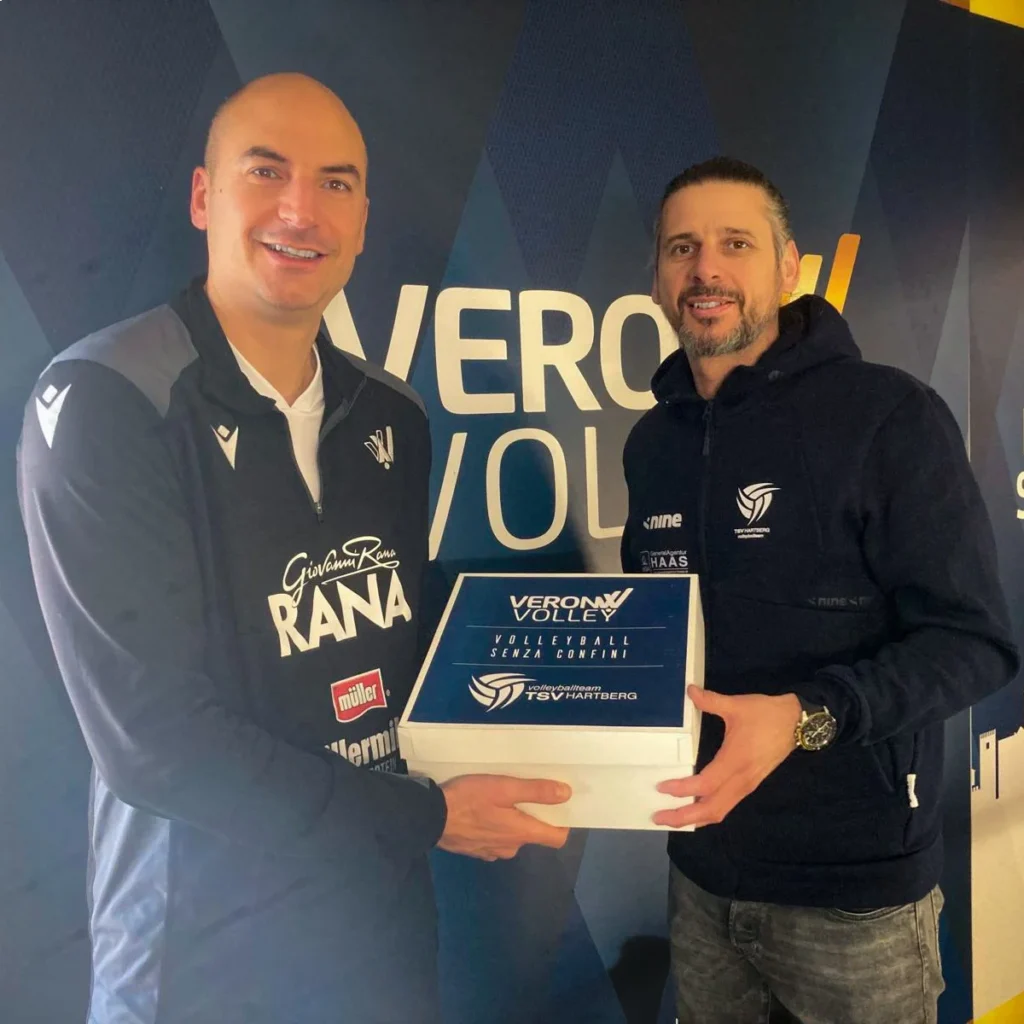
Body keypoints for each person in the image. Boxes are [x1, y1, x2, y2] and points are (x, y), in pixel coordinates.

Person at [17, 73, 569, 1024]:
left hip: (382, 936)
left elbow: (406, 626)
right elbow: (157, 745)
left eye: (336, 182)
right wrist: (432, 815)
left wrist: (592, 676)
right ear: (204, 196)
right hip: (201, 964)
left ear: (362, 222)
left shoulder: (392, 412)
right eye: (266, 171)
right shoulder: (108, 398)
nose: (301, 209)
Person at [620, 156, 1018, 1024]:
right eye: (682, 248)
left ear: (789, 268)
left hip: (855, 900)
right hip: (700, 874)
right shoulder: (652, 443)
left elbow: (975, 642)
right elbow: (656, 636)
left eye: (736, 244)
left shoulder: (888, 416)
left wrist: (809, 714)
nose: (706, 269)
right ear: (657, 278)